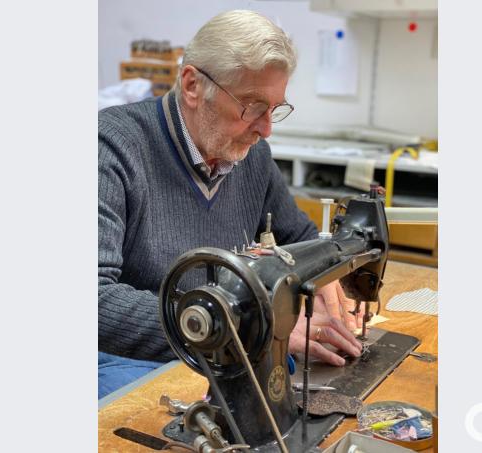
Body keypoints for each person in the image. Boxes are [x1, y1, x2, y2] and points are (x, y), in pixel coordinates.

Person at [98, 10, 365, 399]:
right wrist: (245, 328)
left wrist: (327, 283)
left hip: (223, 350)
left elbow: (302, 240)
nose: (266, 128)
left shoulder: (250, 156)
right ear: (192, 85)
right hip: (125, 360)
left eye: (274, 109)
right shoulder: (111, 146)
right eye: (253, 106)